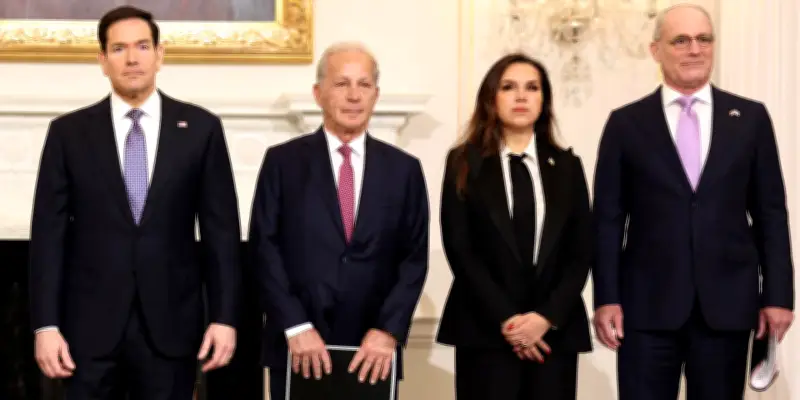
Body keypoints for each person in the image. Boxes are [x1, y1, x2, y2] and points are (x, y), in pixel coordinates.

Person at [29, 6, 242, 399]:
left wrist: (224, 318)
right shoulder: (68, 134)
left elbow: (222, 234)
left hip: (172, 328)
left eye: (143, 46)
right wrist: (46, 326)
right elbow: (47, 238)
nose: (132, 58)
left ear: (160, 55)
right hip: (86, 334)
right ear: (102, 60)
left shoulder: (201, 129)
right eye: (119, 48)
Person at [592, 4, 794, 399]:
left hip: (727, 307)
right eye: (681, 41)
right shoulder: (625, 124)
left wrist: (778, 296)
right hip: (646, 309)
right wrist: (606, 298)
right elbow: (607, 220)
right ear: (656, 50)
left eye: (704, 39)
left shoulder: (750, 119)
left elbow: (771, 214)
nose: (695, 50)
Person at [247, 41, 430, 399]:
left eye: (364, 85)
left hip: (373, 352)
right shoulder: (282, 163)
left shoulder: (404, 169)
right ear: (318, 94)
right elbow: (263, 248)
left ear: (376, 95)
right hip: (298, 346)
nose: (354, 96)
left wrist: (388, 331)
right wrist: (294, 325)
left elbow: (414, 258)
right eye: (342, 83)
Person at [436, 53, 593, 400]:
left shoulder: (567, 166)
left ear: (544, 100)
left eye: (532, 88)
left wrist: (544, 318)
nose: (521, 96)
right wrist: (509, 321)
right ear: (491, 98)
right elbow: (460, 250)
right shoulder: (463, 162)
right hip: (485, 330)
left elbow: (581, 253)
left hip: (553, 335)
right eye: (508, 87)